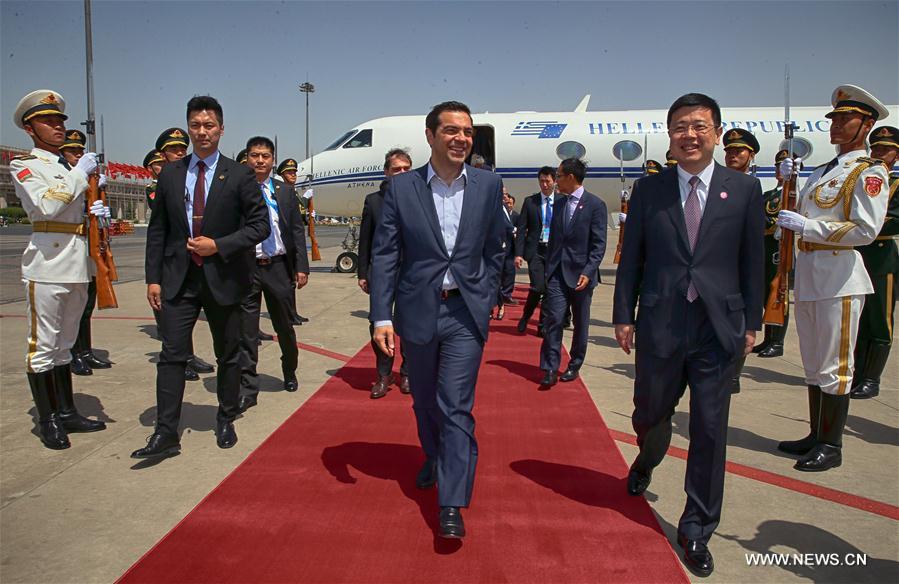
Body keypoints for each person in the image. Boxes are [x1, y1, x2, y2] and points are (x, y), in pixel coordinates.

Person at [613, 93, 764, 577]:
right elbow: (632, 258)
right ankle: (647, 458)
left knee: (710, 430)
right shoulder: (649, 190)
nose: (690, 135)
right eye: (680, 126)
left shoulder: (744, 189)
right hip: (661, 322)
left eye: (699, 126)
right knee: (650, 412)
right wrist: (623, 314)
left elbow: (752, 261)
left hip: (718, 327)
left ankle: (697, 526)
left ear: (716, 132)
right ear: (670, 135)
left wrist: (753, 321)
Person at [370, 101, 505, 539]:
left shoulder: (488, 185)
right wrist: (381, 315)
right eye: (451, 130)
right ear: (430, 136)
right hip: (418, 310)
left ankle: (451, 502)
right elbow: (386, 255)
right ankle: (432, 454)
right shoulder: (402, 188)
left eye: (466, 131)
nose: (461, 138)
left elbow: (496, 247)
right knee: (425, 399)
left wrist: (487, 292)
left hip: (465, 311)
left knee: (455, 404)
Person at [132, 96, 270, 459]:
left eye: (209, 125)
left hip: (224, 277)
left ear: (221, 129)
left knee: (228, 354)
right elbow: (158, 230)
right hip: (179, 279)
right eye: (196, 125)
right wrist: (153, 278)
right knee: (171, 355)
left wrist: (218, 245)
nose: (202, 132)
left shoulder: (239, 174)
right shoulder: (171, 173)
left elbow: (260, 226)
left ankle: (225, 417)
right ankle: (166, 433)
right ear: (189, 128)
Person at [776, 85, 890, 472]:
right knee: (813, 363)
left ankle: (831, 444)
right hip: (810, 276)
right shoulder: (823, 171)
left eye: (846, 119)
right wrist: (787, 185)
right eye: (835, 118)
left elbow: (866, 229)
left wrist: (808, 228)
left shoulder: (868, 172)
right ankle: (815, 434)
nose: (836, 125)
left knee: (836, 365)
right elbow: (798, 213)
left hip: (840, 278)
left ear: (866, 125)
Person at [9, 89, 107, 449]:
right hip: (47, 265)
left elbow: (72, 209)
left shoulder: (68, 168)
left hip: (77, 263)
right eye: (47, 121)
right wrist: (80, 174)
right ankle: (47, 420)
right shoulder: (25, 165)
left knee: (65, 344)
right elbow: (48, 206)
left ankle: (67, 412)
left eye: (59, 120)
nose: (57, 126)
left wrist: (96, 212)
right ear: (30, 128)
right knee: (43, 346)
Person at [237, 137, 310, 413]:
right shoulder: (237, 189)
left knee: (284, 327)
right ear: (247, 158)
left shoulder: (285, 191)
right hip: (247, 267)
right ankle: (248, 387)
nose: (259, 160)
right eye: (254, 155)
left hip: (278, 266)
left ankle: (289, 371)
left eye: (265, 156)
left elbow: (296, 231)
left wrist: (301, 266)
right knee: (246, 331)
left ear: (272, 160)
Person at [538, 157, 607, 388]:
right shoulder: (559, 204)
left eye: (558, 176)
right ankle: (549, 367)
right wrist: (549, 270)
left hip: (581, 276)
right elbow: (554, 241)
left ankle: (574, 364)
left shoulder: (595, 205)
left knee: (580, 323)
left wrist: (589, 271)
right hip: (558, 273)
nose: (556, 181)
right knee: (554, 319)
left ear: (570, 177)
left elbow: (598, 245)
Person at [155, 127, 216, 381]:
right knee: (171, 325)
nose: (180, 153)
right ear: (162, 155)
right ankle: (180, 359)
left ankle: (188, 357)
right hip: (171, 263)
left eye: (182, 149)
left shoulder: (191, 176)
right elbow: (158, 231)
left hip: (196, 261)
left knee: (185, 321)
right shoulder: (163, 182)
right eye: (173, 150)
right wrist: (153, 277)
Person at [59, 129, 115, 376]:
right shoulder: (64, 176)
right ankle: (71, 354)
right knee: (73, 307)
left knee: (87, 302)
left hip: (89, 246)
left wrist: (102, 212)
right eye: (72, 151)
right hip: (68, 248)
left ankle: (85, 351)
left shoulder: (88, 178)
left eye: (79, 151)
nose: (77, 155)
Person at [357, 149, 413, 398]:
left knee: (409, 323)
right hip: (381, 272)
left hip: (411, 272)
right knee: (378, 322)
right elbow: (365, 240)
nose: (401, 172)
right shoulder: (374, 201)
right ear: (386, 172)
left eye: (406, 169)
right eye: (396, 169)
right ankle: (383, 374)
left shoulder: (419, 198)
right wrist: (362, 272)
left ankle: (408, 372)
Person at [851, 125, 899, 399]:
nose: (880, 153)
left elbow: (894, 220)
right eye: (876, 148)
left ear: (897, 155)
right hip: (858, 254)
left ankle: (872, 379)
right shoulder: (860, 180)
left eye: (887, 149)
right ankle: (858, 374)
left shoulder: (895, 185)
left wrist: (865, 226)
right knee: (860, 319)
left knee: (880, 320)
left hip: (881, 258)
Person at [723, 127, 761, 394]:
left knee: (740, 322)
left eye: (739, 151)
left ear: (751, 155)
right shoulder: (716, 184)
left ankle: (734, 374)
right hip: (717, 266)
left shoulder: (753, 188)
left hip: (741, 265)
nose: (732, 155)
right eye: (729, 151)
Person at [753, 149, 793, 358]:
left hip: (779, 249)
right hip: (764, 247)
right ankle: (768, 338)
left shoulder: (793, 195)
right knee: (765, 296)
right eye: (777, 166)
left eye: (783, 167)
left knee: (778, 294)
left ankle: (777, 341)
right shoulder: (769, 195)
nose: (779, 170)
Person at [515, 167, 558, 336]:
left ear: (554, 181)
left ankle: (542, 324)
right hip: (536, 250)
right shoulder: (530, 202)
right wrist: (519, 254)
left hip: (554, 251)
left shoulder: (562, 201)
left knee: (549, 289)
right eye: (542, 181)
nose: (544, 185)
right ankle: (526, 316)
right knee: (538, 287)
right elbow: (521, 229)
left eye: (548, 181)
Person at [276, 157, 310, 325]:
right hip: (286, 241)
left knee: (291, 281)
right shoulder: (280, 192)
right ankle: (288, 313)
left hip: (295, 239)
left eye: (294, 172)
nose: (293, 175)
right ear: (282, 175)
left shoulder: (293, 193)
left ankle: (293, 312)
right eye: (289, 172)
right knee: (287, 282)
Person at [493, 189, 519, 319]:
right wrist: (514, 229)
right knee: (496, 278)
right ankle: (497, 304)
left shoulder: (504, 206)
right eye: (503, 194)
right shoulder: (494, 206)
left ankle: (503, 298)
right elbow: (503, 223)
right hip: (496, 247)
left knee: (508, 272)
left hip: (507, 246)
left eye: (506, 194)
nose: (506, 196)